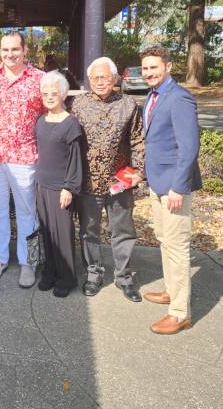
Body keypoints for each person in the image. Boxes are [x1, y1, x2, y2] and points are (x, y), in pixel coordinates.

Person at [69, 57, 145, 302]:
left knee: (122, 231)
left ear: (114, 79)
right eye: (94, 78)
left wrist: (139, 172)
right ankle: (93, 273)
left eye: (104, 77)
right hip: (88, 182)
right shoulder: (77, 105)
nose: (99, 82)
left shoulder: (129, 105)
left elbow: (138, 141)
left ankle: (124, 277)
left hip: (119, 182)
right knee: (88, 231)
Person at [0, 31, 44, 288]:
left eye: (15, 49)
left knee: (29, 213)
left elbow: (50, 115)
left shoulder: (39, 79)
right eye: (5, 50)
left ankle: (30, 262)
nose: (10, 55)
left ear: (25, 50)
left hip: (25, 158)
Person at [140, 46, 202, 335]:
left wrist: (179, 186)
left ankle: (179, 312)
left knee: (177, 247)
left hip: (174, 186)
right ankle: (171, 290)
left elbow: (189, 147)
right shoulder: (152, 96)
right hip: (157, 181)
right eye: (145, 68)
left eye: (154, 67)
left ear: (168, 66)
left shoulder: (179, 98)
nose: (149, 72)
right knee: (164, 238)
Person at [34, 71, 83, 297]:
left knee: (62, 235)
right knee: (47, 232)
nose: (49, 96)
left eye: (54, 93)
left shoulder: (71, 123)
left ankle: (67, 277)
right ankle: (50, 272)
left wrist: (69, 188)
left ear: (63, 94)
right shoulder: (40, 121)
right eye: (45, 93)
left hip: (61, 189)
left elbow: (75, 160)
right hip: (42, 185)